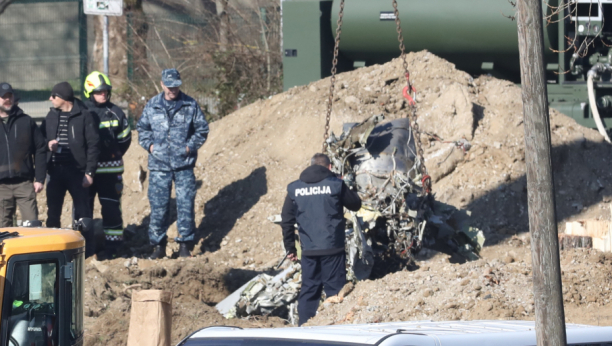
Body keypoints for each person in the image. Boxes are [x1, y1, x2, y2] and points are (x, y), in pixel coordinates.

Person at [281, 153, 361, 326]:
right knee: (335, 290)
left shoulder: (294, 188)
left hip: (309, 250)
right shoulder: (336, 184)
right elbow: (355, 204)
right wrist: (343, 184)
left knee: (309, 290)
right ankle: (336, 329)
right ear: (330, 167)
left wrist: (290, 248)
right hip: (333, 248)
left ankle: (304, 328)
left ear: (309, 166)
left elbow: (286, 220)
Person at [137, 68, 209, 259]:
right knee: (159, 207)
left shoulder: (189, 104)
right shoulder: (152, 105)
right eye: (168, 86)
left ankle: (185, 245)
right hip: (159, 166)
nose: (172, 90)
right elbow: (142, 130)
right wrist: (151, 147)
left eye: (175, 86)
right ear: (162, 84)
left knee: (185, 205)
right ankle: (158, 246)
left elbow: (202, 129)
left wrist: (189, 147)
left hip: (183, 166)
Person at [41, 82, 99, 254]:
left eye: (54, 96)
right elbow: (39, 141)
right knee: (53, 213)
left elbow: (93, 145)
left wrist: (89, 172)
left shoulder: (84, 116)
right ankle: (52, 251)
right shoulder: (50, 117)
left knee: (83, 213)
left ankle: (86, 250)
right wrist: (47, 145)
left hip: (77, 172)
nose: (50, 99)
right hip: (55, 171)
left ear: (64, 98)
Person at [83, 71, 131, 259]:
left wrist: (113, 154)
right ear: (90, 92)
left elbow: (125, 139)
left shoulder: (116, 112)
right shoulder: (82, 112)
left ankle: (114, 247)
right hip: (87, 173)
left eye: (105, 91)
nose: (103, 94)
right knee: (84, 210)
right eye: (99, 91)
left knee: (111, 209)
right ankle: (84, 247)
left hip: (111, 173)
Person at [0, 83, 47, 226]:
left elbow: (40, 148)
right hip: (1, 186)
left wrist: (39, 178)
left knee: (32, 226)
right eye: (4, 97)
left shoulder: (26, 121)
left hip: (24, 184)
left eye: (10, 96)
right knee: (2, 230)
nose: (8, 99)